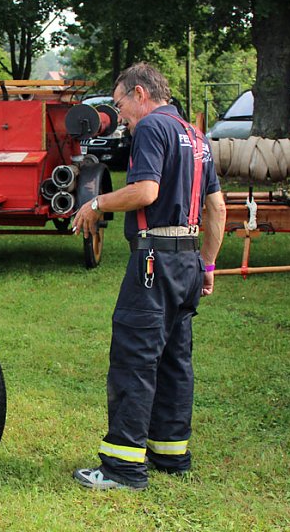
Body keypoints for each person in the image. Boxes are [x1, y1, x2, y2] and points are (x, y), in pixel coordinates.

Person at [71, 62, 226, 490]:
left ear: (140, 93)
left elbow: (145, 191)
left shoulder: (152, 128)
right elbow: (217, 207)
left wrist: (96, 203)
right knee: (175, 361)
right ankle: (170, 452)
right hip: (188, 261)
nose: (119, 114)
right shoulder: (197, 136)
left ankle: (122, 467)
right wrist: (207, 265)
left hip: (154, 262)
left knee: (134, 359)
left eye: (120, 103)